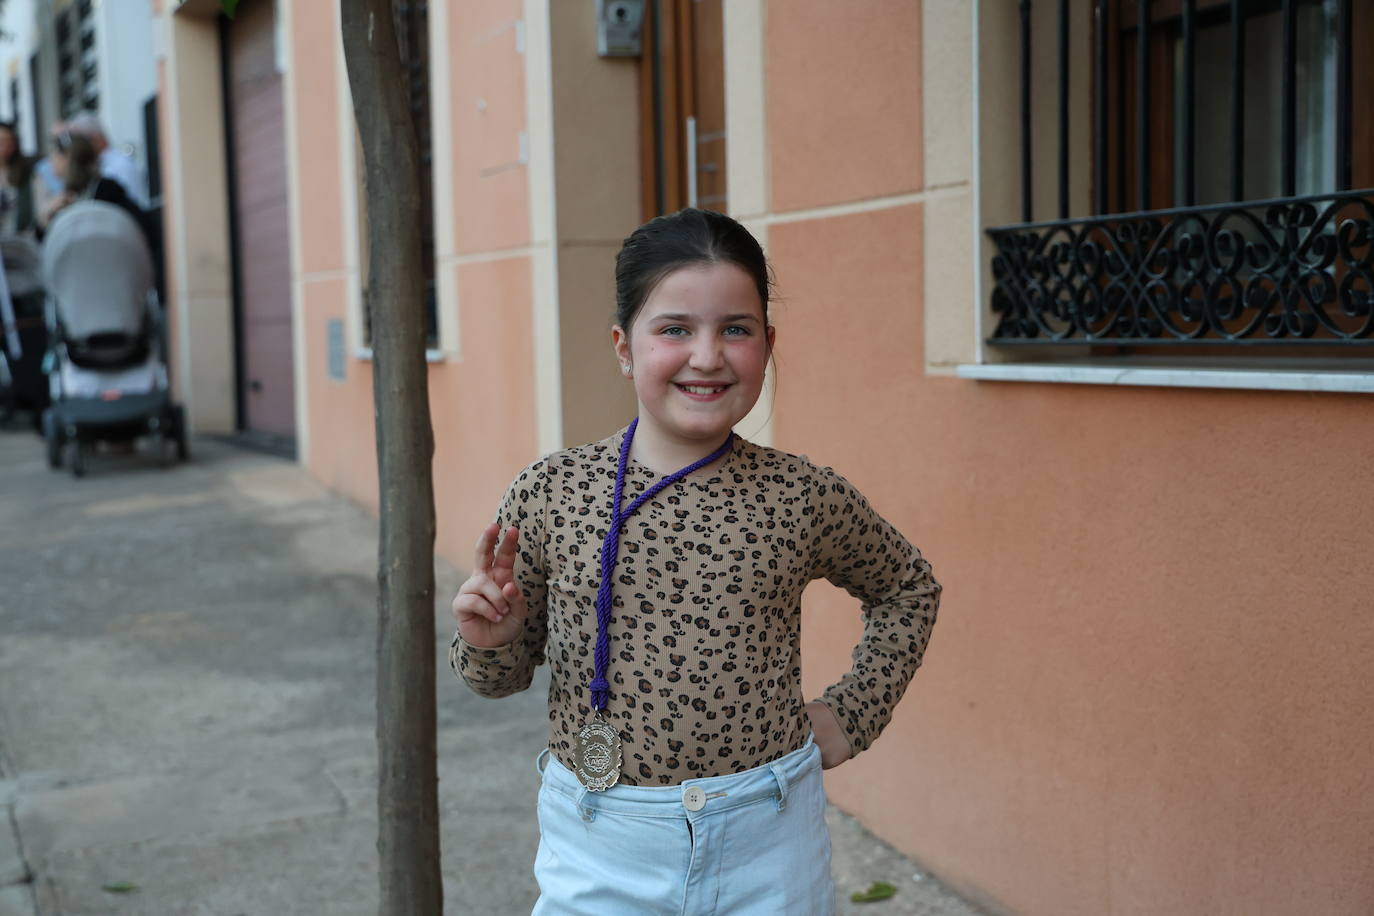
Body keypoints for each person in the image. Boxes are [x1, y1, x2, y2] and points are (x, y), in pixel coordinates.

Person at [449, 208, 941, 914]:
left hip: (769, 841)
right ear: (624, 346)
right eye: (675, 328)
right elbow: (499, 677)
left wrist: (853, 712)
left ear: (768, 344)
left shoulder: (802, 494)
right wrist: (486, 641)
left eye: (734, 329)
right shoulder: (552, 492)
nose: (707, 355)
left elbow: (908, 588)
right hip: (600, 843)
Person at [65, 111, 147, 208]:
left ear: (95, 139)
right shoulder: (98, 166)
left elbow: (131, 205)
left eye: (78, 142)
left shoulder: (120, 165)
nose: (75, 149)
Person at [0, 121, 38, 237]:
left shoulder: (26, 172)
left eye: (9, 141)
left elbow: (36, 208)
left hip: (20, 239)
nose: (4, 147)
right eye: (1, 141)